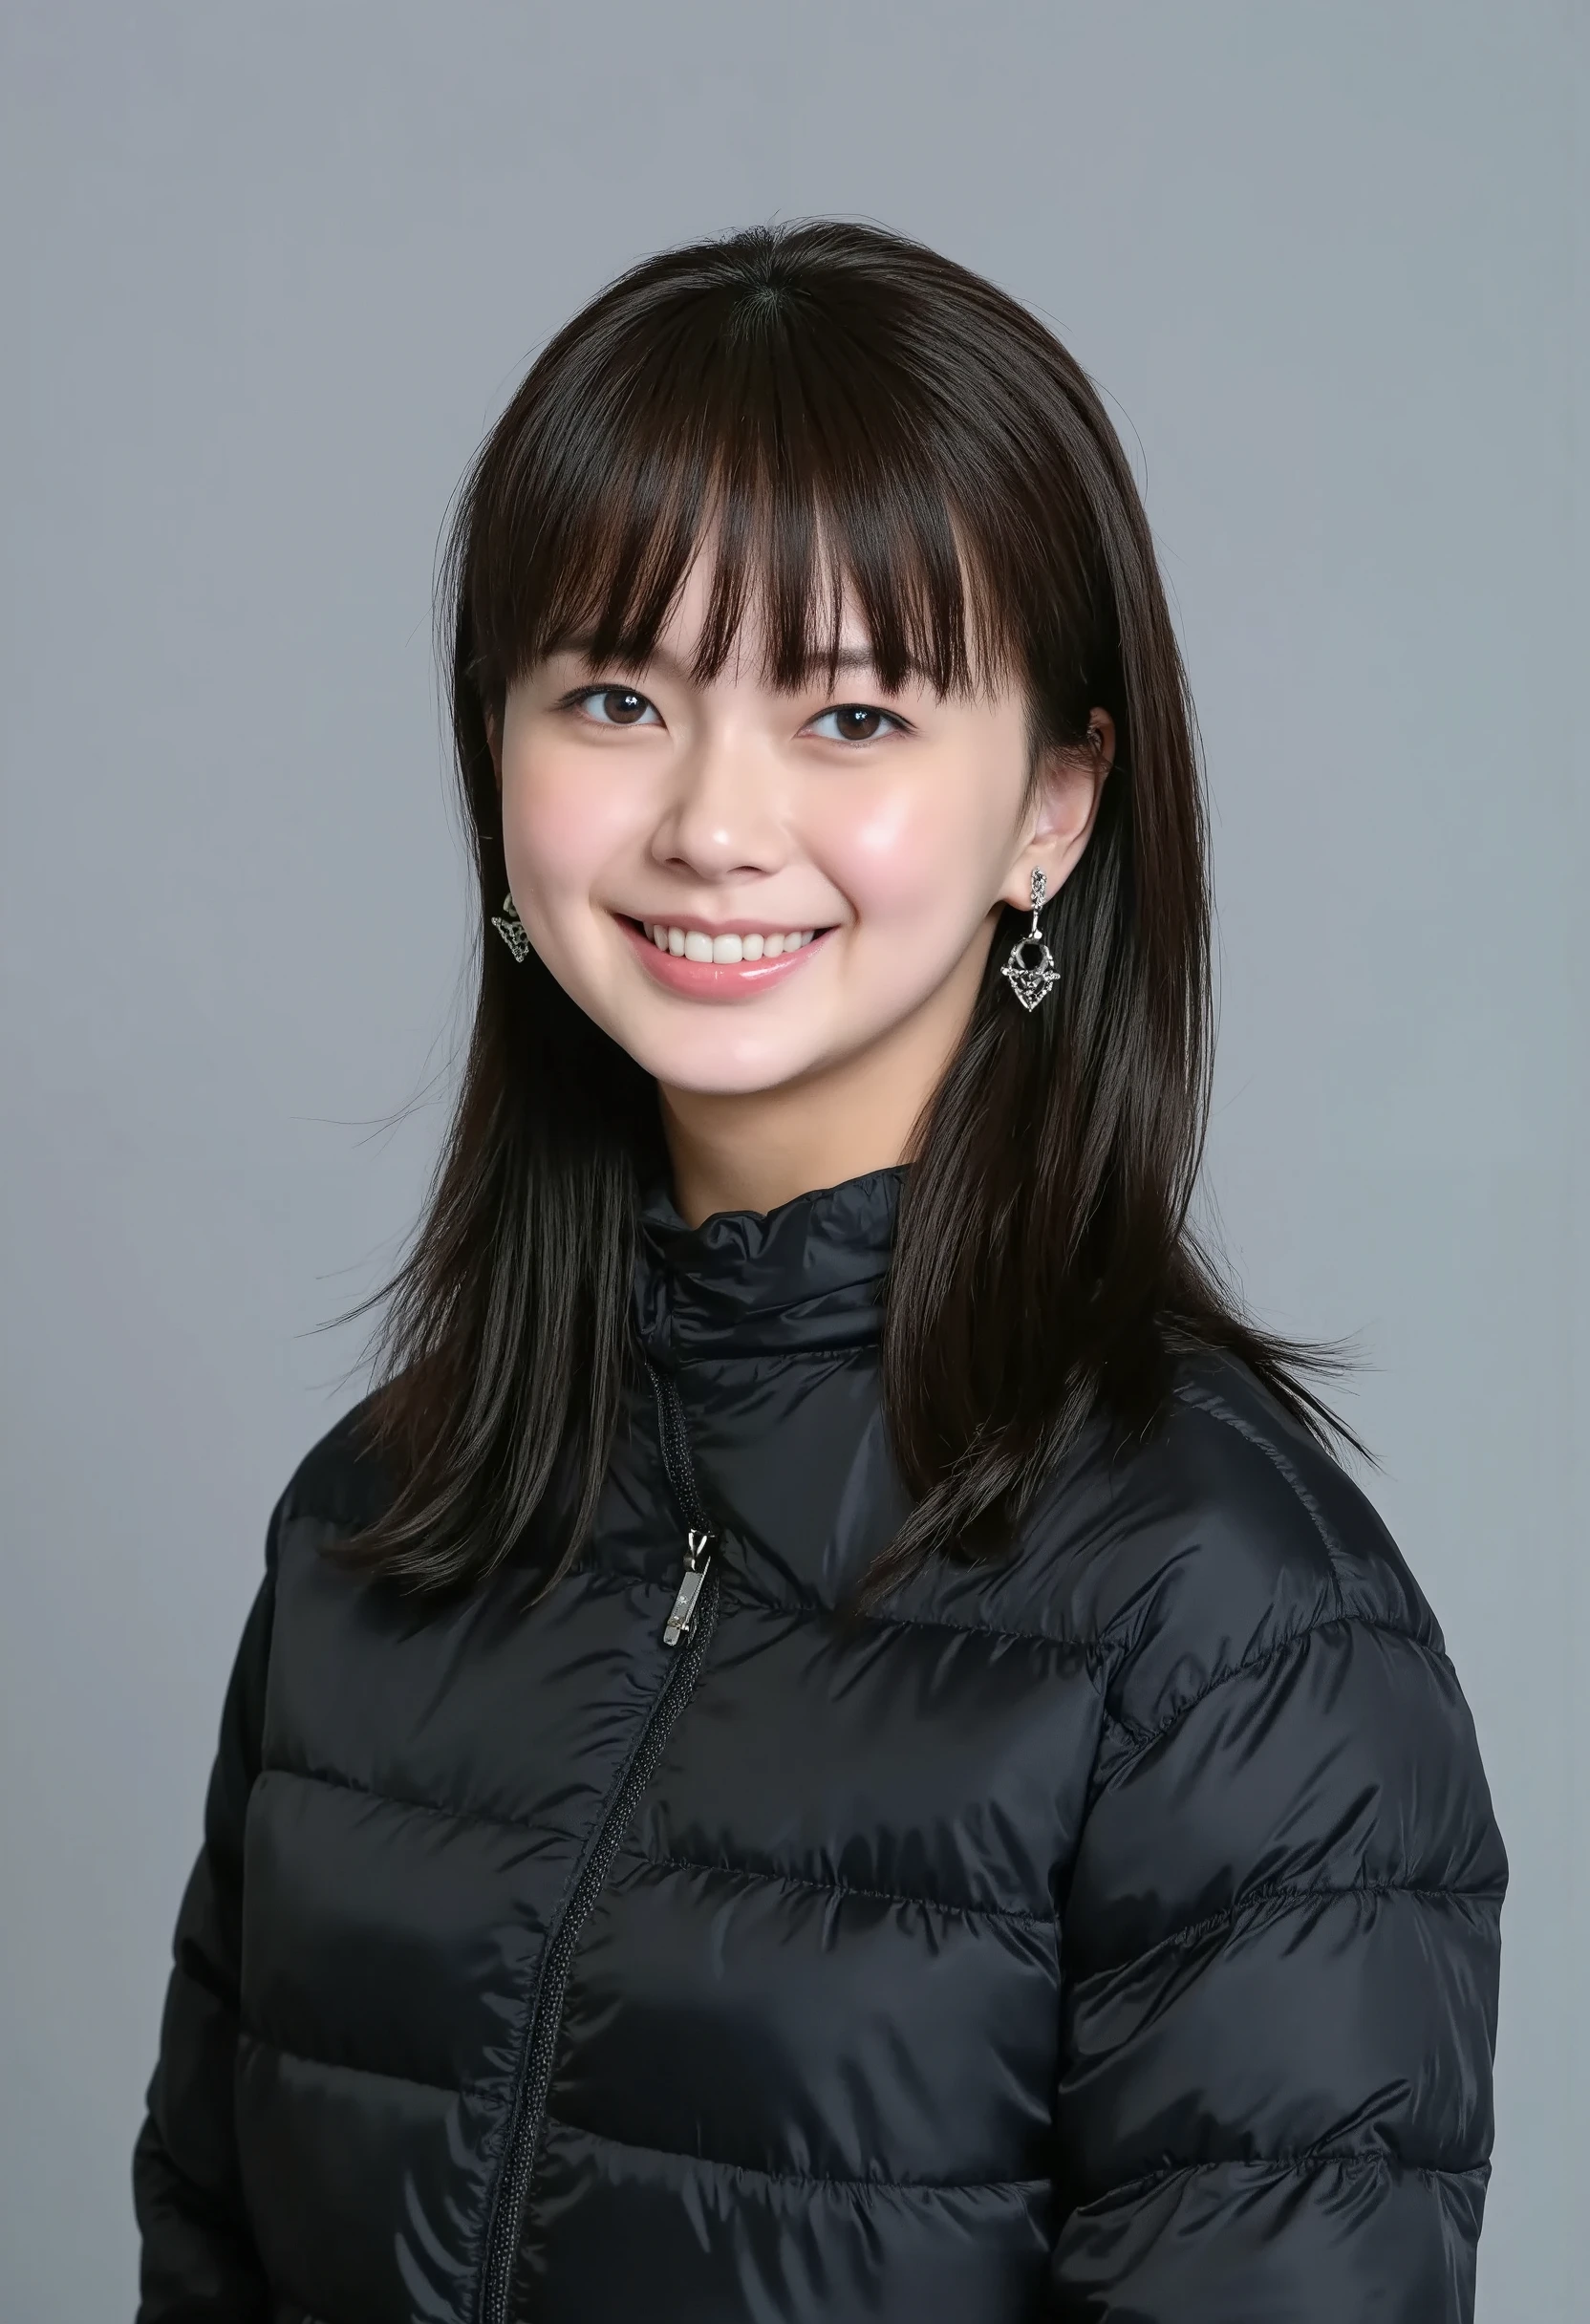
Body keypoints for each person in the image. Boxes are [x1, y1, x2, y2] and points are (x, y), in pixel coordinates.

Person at [133, 221, 1505, 2324]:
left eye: (851, 714)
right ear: (494, 757)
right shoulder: (370, 1524)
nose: (711, 819)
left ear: (1052, 802)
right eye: (614, 695)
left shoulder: (1233, 1631)